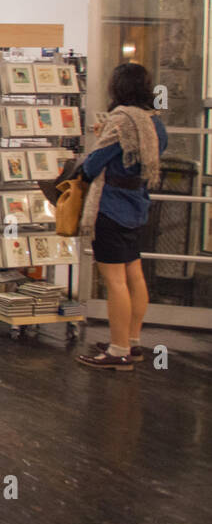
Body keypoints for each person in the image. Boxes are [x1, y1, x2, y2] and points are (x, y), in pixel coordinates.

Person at [76, 63, 168, 371]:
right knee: (134, 274)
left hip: (111, 205)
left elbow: (92, 165)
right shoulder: (155, 123)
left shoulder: (121, 120)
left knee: (114, 281)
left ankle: (118, 350)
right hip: (138, 204)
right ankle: (132, 340)